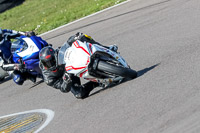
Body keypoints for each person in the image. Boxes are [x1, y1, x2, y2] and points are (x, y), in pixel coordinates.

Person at [39, 32, 118, 99]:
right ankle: (99, 83)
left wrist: (75, 37)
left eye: (52, 61)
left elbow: (67, 45)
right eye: (47, 63)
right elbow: (63, 88)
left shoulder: (58, 52)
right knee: (79, 94)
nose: (50, 64)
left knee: (83, 38)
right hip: (68, 75)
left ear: (54, 55)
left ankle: (107, 48)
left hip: (71, 61)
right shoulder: (48, 78)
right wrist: (66, 81)